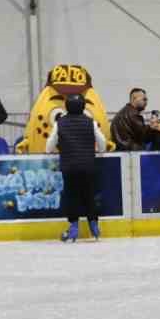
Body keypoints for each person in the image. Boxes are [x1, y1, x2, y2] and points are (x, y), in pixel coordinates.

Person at [48, 92, 107, 242]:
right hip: (88, 165)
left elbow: (49, 146)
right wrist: (100, 151)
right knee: (89, 194)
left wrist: (53, 149)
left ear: (66, 106)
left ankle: (74, 227)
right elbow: (102, 143)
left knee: (71, 196)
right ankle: (94, 224)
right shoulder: (90, 122)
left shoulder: (59, 123)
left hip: (69, 166)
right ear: (83, 106)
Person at [111, 87, 160, 152]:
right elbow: (144, 136)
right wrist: (154, 127)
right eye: (144, 99)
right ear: (134, 99)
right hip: (131, 153)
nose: (146, 102)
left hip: (123, 152)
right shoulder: (133, 114)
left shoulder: (123, 112)